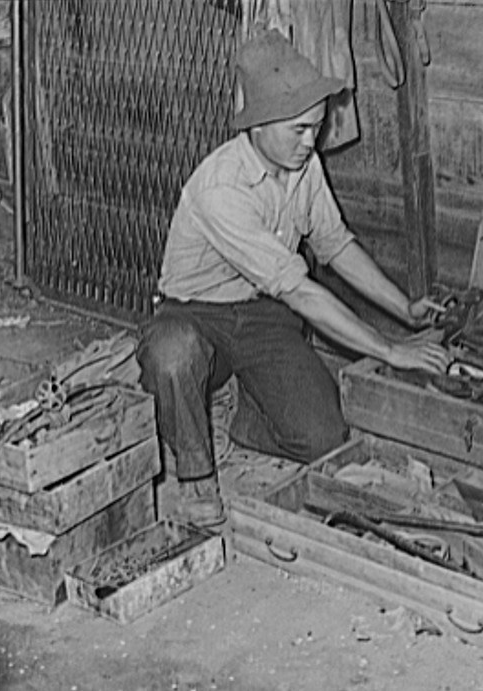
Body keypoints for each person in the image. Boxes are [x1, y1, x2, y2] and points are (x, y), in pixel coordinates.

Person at [136, 29, 450, 528]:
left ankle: (252, 415)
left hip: (262, 314)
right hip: (195, 316)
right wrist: (389, 350)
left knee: (325, 439)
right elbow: (301, 288)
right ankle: (195, 480)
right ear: (257, 124)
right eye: (300, 130)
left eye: (317, 128)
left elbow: (337, 245)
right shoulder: (221, 187)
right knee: (172, 354)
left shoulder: (305, 167)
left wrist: (404, 309)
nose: (312, 142)